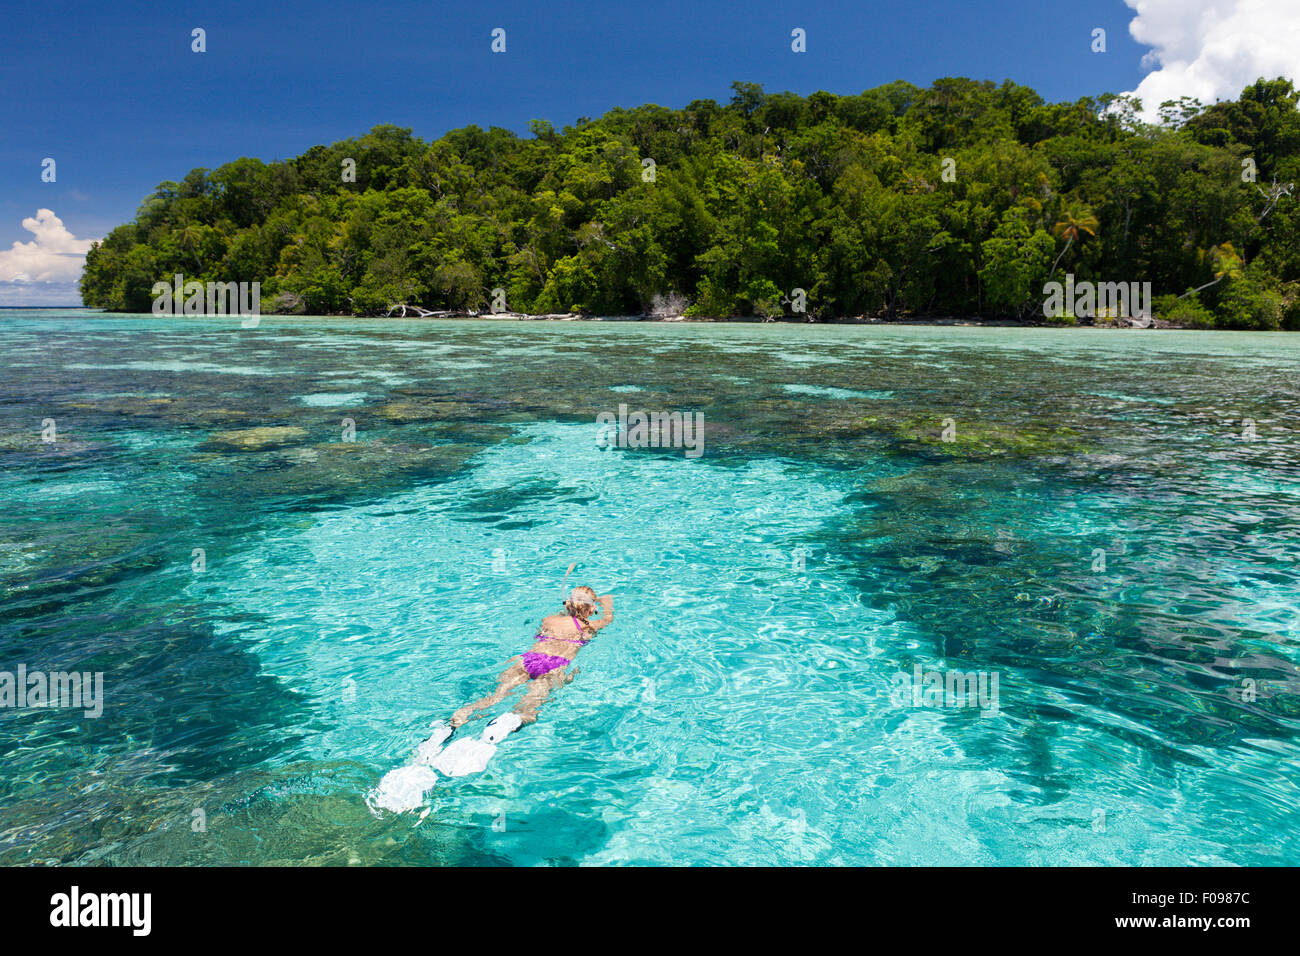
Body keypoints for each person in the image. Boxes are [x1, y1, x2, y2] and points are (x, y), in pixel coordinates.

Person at [449, 586, 614, 731]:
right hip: (554, 665)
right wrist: (606, 605)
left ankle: (461, 716)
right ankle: (514, 721)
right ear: (591, 610)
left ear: (567, 604)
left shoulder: (549, 620)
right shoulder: (589, 625)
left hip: (529, 659)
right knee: (531, 705)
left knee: (497, 696)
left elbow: (552, 623)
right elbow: (608, 619)